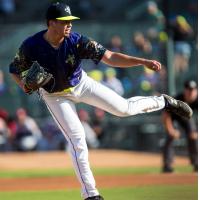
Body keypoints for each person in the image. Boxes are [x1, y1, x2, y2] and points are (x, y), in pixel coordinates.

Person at [9, 2, 193, 200]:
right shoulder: (32, 45)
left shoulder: (77, 41)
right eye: (64, 21)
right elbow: (14, 69)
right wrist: (24, 85)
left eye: (70, 20)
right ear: (51, 23)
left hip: (82, 84)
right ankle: (91, 194)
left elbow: (111, 56)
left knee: (124, 108)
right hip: (55, 96)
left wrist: (142, 61)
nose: (69, 24)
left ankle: (163, 102)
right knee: (77, 138)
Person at [162, 80, 198, 173]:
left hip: (186, 118)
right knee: (170, 137)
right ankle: (167, 165)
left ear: (196, 91)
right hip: (173, 118)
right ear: (185, 90)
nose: (191, 92)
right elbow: (166, 115)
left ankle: (196, 163)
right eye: (189, 90)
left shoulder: (197, 100)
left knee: (193, 134)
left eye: (193, 90)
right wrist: (171, 130)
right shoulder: (177, 99)